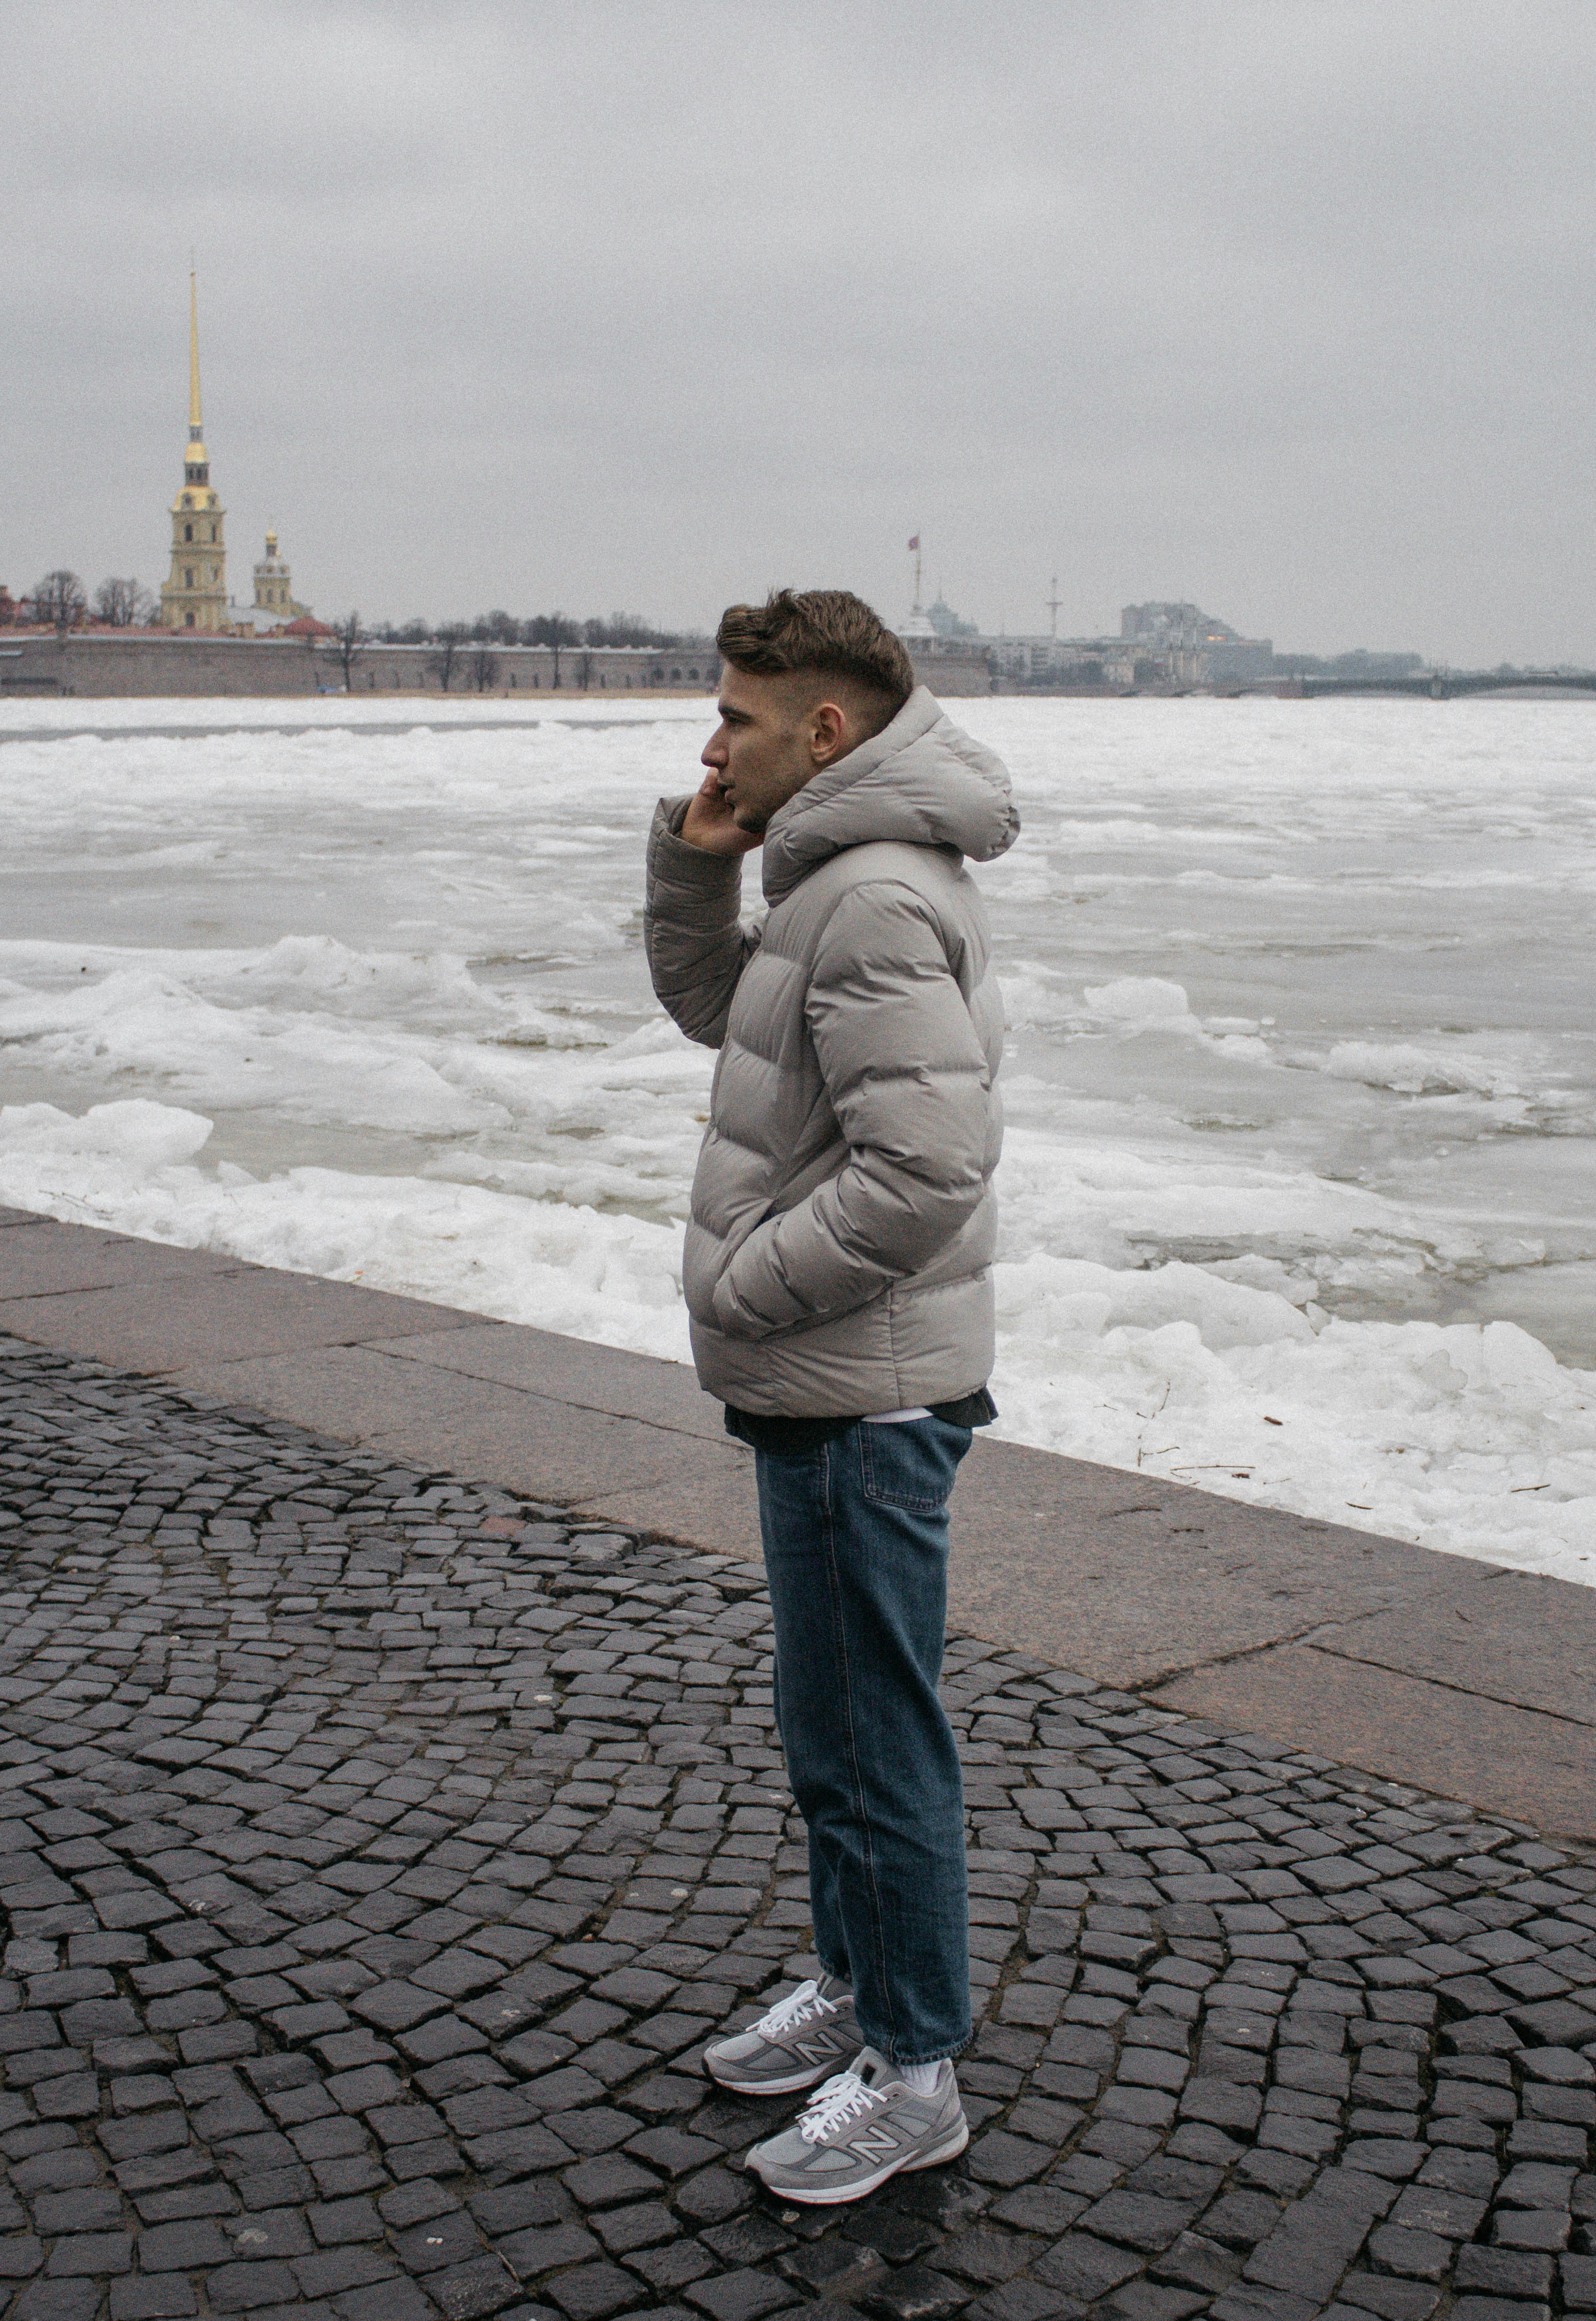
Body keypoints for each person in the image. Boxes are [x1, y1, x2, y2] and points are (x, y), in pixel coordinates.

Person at [643, 588, 1018, 2203]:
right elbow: (725, 1019)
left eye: (737, 715)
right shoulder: (824, 880)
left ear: (829, 732)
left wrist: (745, 1286)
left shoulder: (868, 898)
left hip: (862, 1399)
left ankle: (917, 2066)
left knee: (877, 1745)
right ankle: (861, 1992)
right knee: (835, 1734)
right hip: (828, 1381)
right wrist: (694, 858)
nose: (711, 738)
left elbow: (926, 1173)